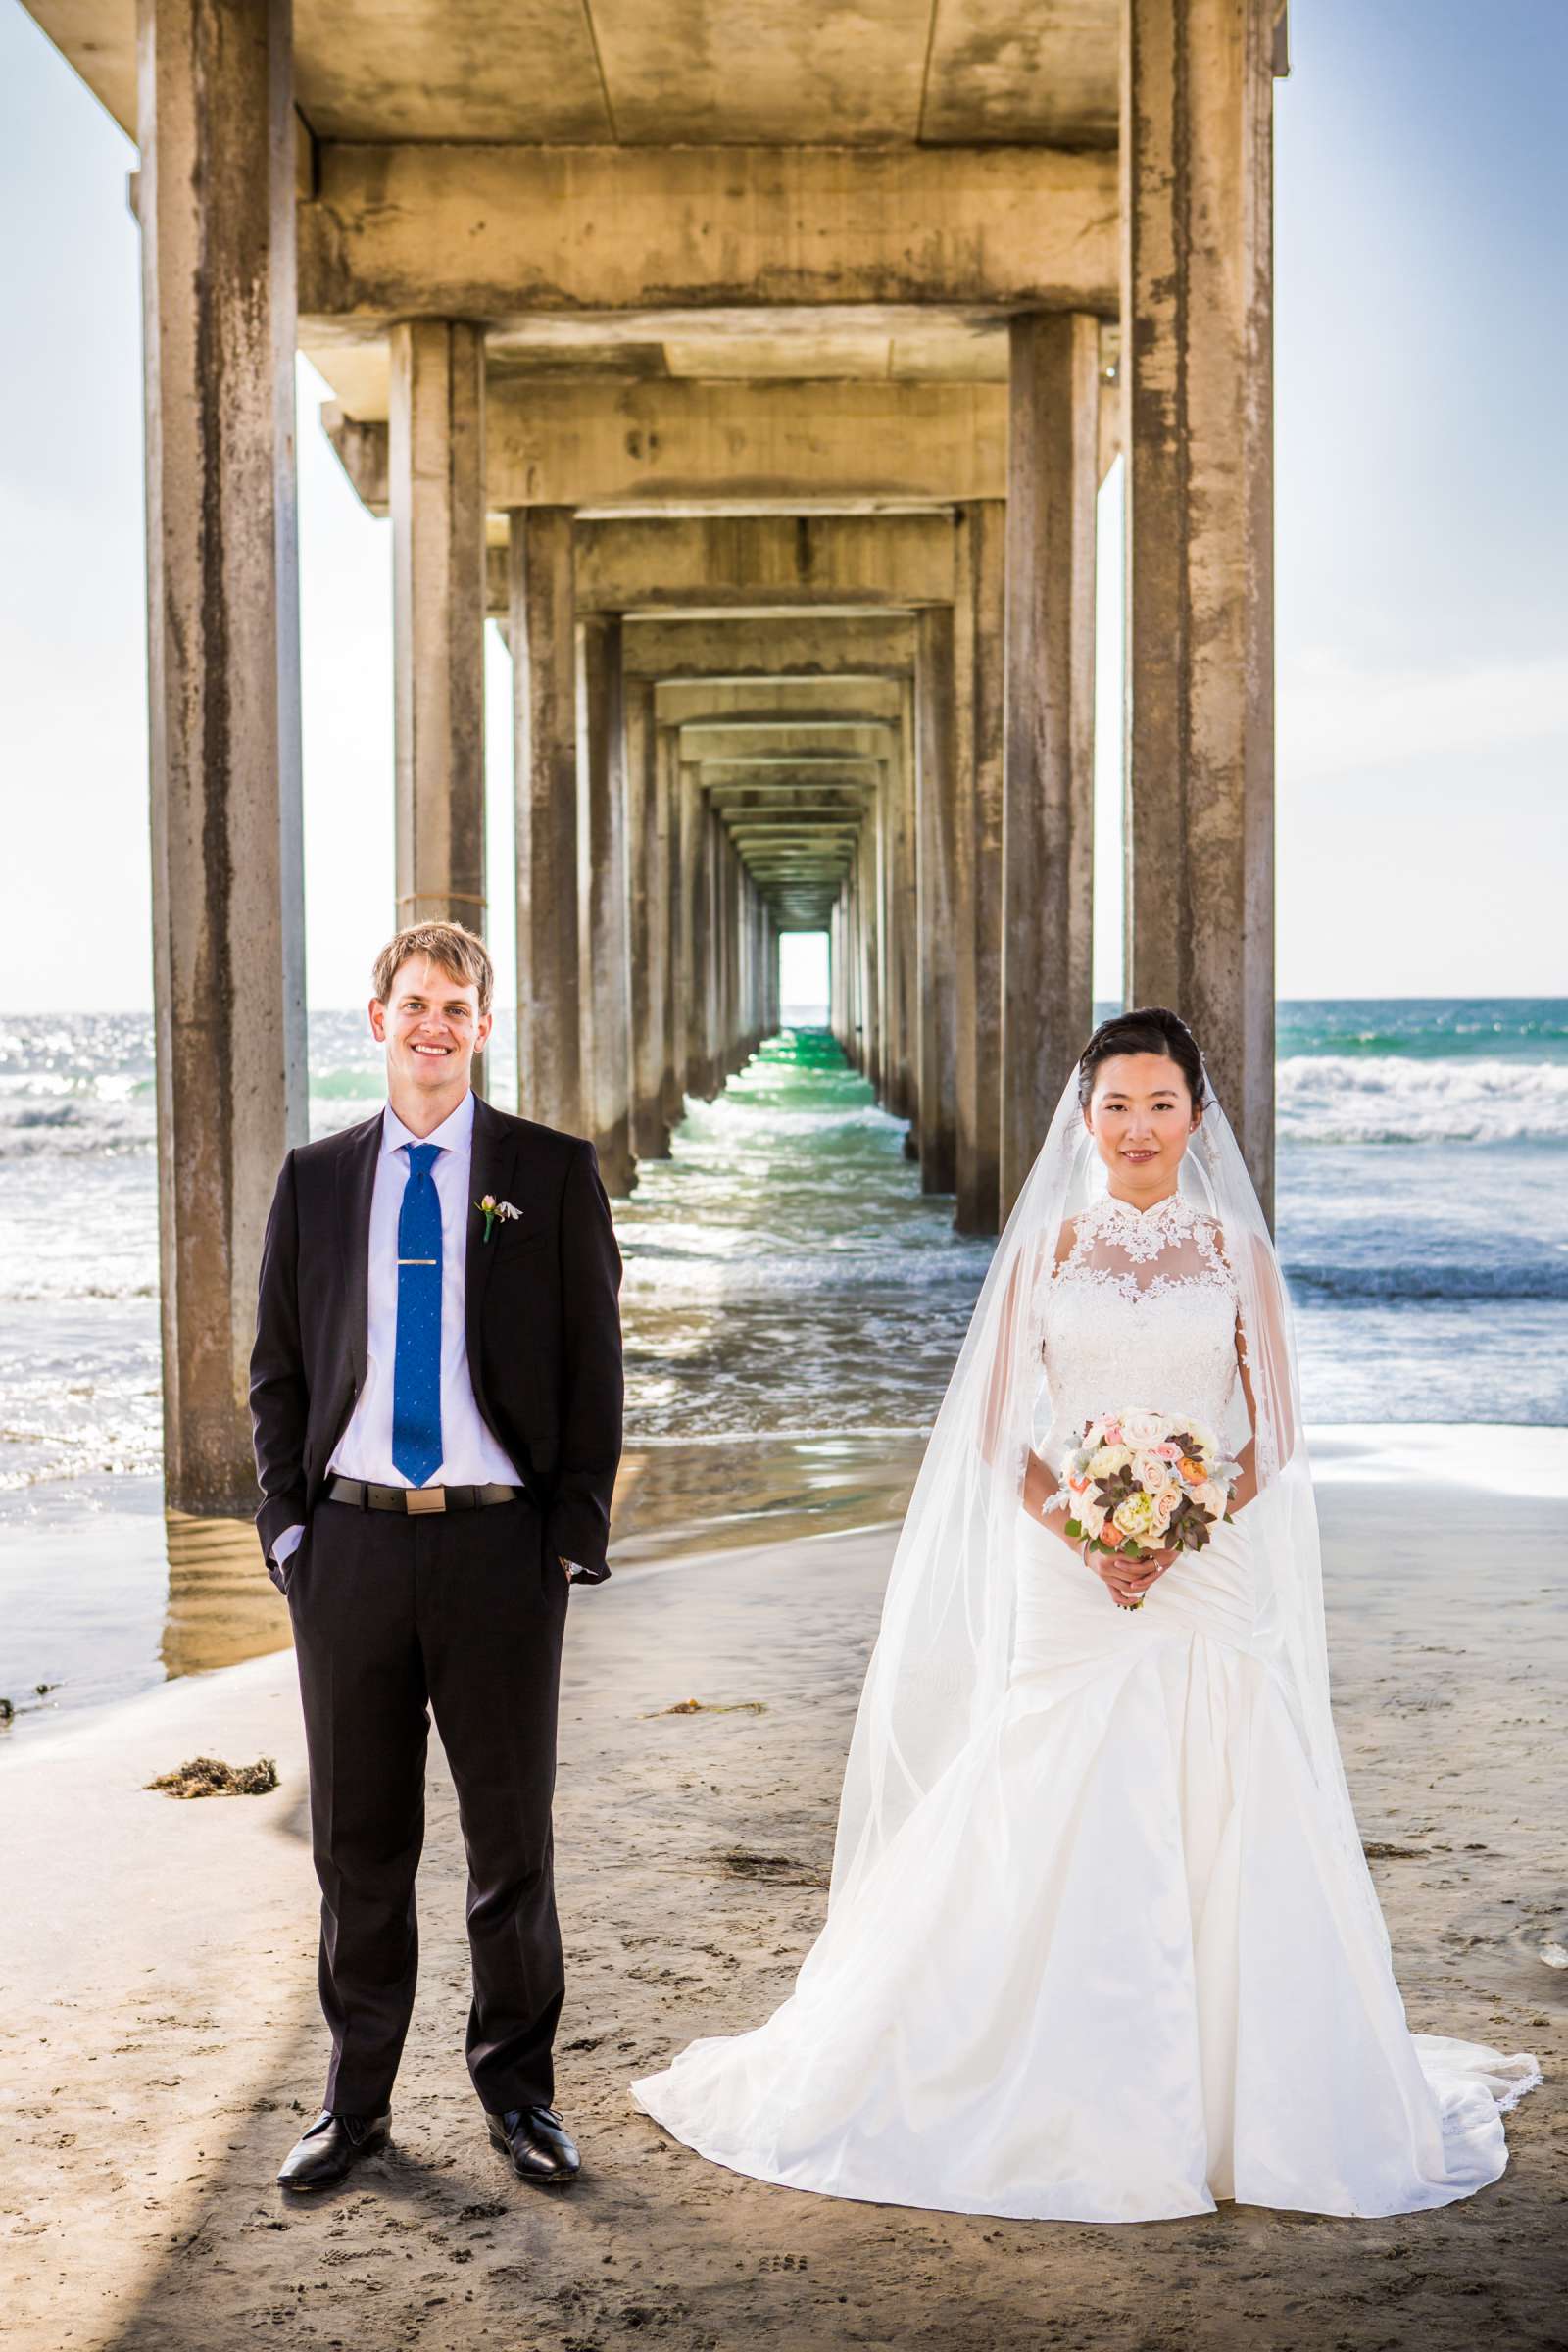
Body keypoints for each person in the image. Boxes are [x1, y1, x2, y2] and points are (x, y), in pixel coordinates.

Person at [632, 1006, 1539, 2221]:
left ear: (1197, 1118)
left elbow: (1274, 1427)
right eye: (1116, 1104)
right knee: (1045, 1778)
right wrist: (1094, 1534)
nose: (1138, 1126)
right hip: (1066, 1570)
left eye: (1162, 1103)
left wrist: (1180, 1526)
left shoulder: (1234, 1255)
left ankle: (1236, 2100)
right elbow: (1000, 1430)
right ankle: (1042, 2071)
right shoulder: (1049, 1254)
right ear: (1085, 1117)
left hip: (1204, 1563)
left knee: (1228, 1781)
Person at [250, 922, 622, 2193]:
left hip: (499, 1554)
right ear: (376, 1019)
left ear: (484, 1025)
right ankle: (354, 2108)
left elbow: (593, 1368)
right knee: (359, 1847)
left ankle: (520, 2098)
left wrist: (570, 1534)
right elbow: (279, 1373)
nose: (434, 1027)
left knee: (510, 1843)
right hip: (348, 1547)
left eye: (457, 1008)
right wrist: (290, 1530)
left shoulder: (550, 1174)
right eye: (415, 1004)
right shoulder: (315, 1179)